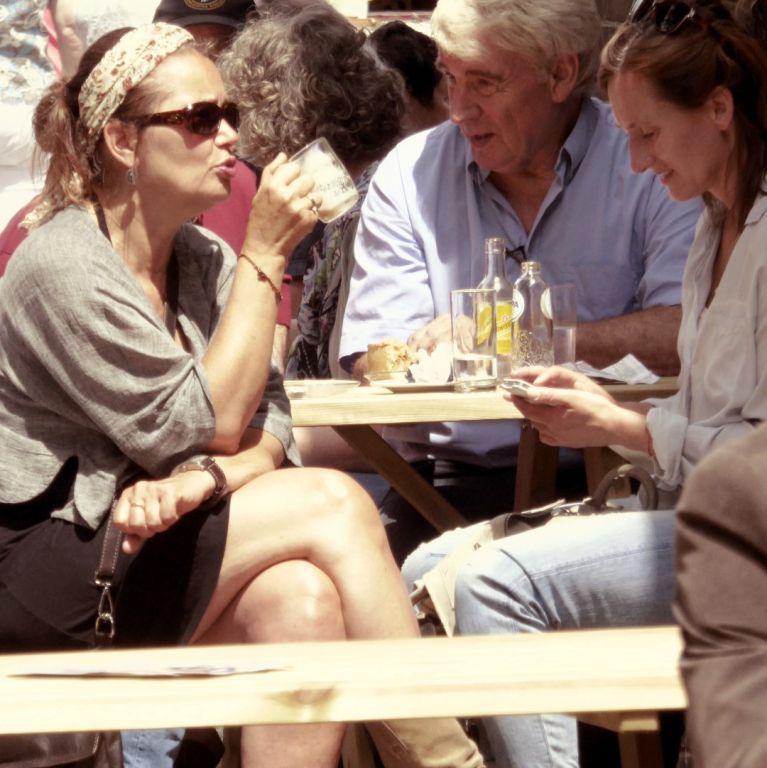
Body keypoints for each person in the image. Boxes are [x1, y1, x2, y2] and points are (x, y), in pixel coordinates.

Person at [0, 23, 484, 768]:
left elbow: (272, 414)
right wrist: (265, 252)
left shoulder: (201, 257)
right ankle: (449, 762)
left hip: (149, 541)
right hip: (47, 561)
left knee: (302, 603)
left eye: (229, 113)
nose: (229, 135)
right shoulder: (60, 263)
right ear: (124, 142)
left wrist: (207, 479)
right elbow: (203, 424)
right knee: (333, 503)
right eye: (200, 118)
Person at [402, 0, 767, 764]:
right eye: (625, 135)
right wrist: (606, 412)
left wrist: (622, 427)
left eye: (647, 134)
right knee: (424, 567)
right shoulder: (712, 226)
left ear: (719, 110)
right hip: (675, 503)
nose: (633, 161)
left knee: (498, 583)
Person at [337, 0, 703, 564]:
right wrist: (419, 350)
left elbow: (686, 331)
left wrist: (512, 339)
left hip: (615, 477)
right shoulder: (410, 173)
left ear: (560, 75)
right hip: (444, 483)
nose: (459, 108)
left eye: (484, 82)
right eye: (450, 78)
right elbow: (371, 354)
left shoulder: (647, 157)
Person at [674, 424, 767, 768]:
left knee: (516, 583)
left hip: (688, 504)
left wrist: (643, 429)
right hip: (681, 504)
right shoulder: (740, 483)